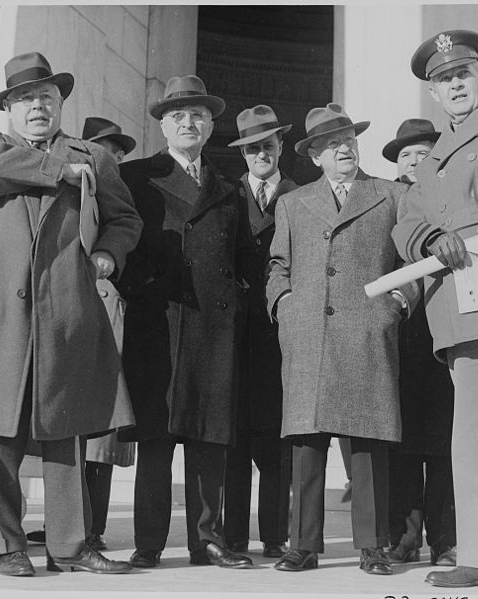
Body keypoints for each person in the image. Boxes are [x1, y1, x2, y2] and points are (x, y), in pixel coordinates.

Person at [0, 52, 143, 577]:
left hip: (66, 310)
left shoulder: (95, 157)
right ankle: (7, 545)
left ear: (60, 103)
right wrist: (61, 170)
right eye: (25, 99)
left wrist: (109, 252)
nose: (37, 106)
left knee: (66, 428)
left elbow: (126, 218)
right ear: (9, 108)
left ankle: (70, 546)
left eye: (46, 97)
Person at [392, 30, 478, 593]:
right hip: (457, 304)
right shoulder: (427, 165)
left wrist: (465, 228)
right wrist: (429, 237)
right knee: (473, 438)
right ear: (432, 94)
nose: (453, 86)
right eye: (442, 81)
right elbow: (406, 221)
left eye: (461, 75)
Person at [266, 103, 419, 576]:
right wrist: (284, 305)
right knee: (307, 443)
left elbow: (409, 260)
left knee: (369, 441)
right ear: (314, 156)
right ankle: (303, 545)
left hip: (367, 329)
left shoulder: (390, 194)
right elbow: (278, 265)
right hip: (309, 331)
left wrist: (397, 304)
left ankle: (374, 546)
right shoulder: (292, 202)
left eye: (348, 139)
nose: (343, 148)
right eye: (331, 144)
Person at [116, 75, 254, 570]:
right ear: (162, 125)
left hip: (213, 327)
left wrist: (233, 304)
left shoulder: (229, 187)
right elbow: (119, 236)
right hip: (160, 320)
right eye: (178, 116)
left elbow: (243, 259)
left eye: (197, 114)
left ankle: (207, 541)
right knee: (157, 435)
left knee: (207, 436)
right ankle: (149, 542)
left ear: (212, 124)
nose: (189, 122)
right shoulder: (137, 177)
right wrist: (140, 289)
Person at [26, 116, 138, 551]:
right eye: (103, 146)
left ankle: (89, 529)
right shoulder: (68, 172)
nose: (111, 154)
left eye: (117, 149)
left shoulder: (111, 184)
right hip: (61, 301)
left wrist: (108, 256)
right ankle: (70, 525)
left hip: (105, 299)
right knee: (67, 426)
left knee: (100, 432)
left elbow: (125, 227)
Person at [381, 119, 457, 568]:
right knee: (402, 443)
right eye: (406, 156)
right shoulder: (386, 201)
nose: (414, 162)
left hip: (446, 326)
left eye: (422, 154)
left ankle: (444, 540)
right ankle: (403, 537)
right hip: (398, 333)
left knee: (445, 441)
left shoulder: (448, 198)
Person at [223, 104, 295, 559]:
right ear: (243, 154)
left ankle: (274, 535)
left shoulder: (300, 194)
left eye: (267, 145)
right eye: (252, 148)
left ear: (281, 147)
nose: (260, 154)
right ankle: (232, 537)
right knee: (235, 441)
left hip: (281, 335)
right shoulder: (227, 196)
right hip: (233, 336)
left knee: (276, 444)